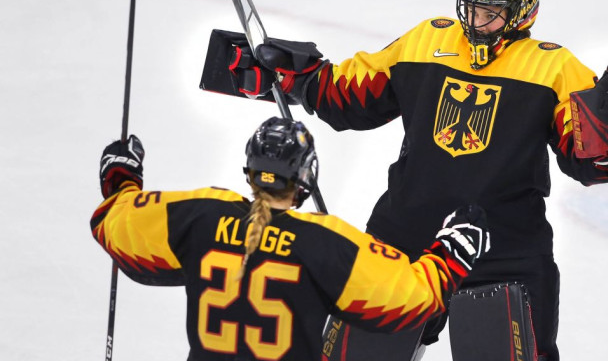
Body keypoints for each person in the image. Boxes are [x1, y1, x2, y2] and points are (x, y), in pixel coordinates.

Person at [208, 0, 608, 361]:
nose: (476, 21)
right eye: (472, 9)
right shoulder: (427, 40)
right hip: (405, 238)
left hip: (503, 252)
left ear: (519, 14)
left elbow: (586, 154)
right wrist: (299, 77)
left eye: (490, 13)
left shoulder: (553, 67)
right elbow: (354, 96)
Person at [91, 117, 490, 361]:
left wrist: (121, 180)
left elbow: (120, 224)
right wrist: (454, 249)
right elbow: (408, 298)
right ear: (304, 177)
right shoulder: (323, 240)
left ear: (250, 169)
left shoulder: (201, 214)